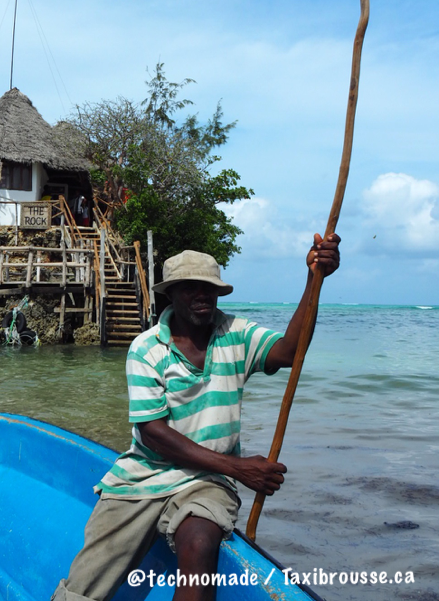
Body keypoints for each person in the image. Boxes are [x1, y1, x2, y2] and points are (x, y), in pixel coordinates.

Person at [52, 233, 341, 601]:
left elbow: (289, 352)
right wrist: (239, 468)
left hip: (207, 480)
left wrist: (314, 279)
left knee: (201, 542)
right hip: (144, 477)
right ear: (170, 294)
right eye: (190, 288)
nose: (202, 295)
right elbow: (154, 434)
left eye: (209, 288)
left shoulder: (235, 334)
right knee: (86, 583)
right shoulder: (147, 348)